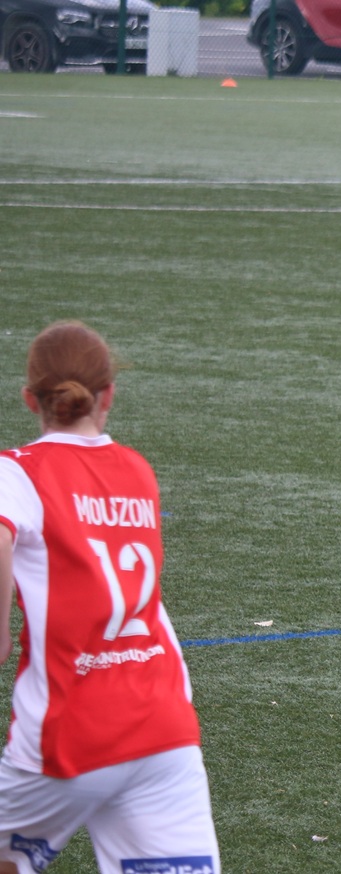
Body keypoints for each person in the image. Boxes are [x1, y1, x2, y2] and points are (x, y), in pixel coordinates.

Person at [0, 321, 220, 873]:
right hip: (163, 734)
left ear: (30, 399)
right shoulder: (137, 472)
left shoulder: (16, 474)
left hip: (68, 739)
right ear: (109, 395)